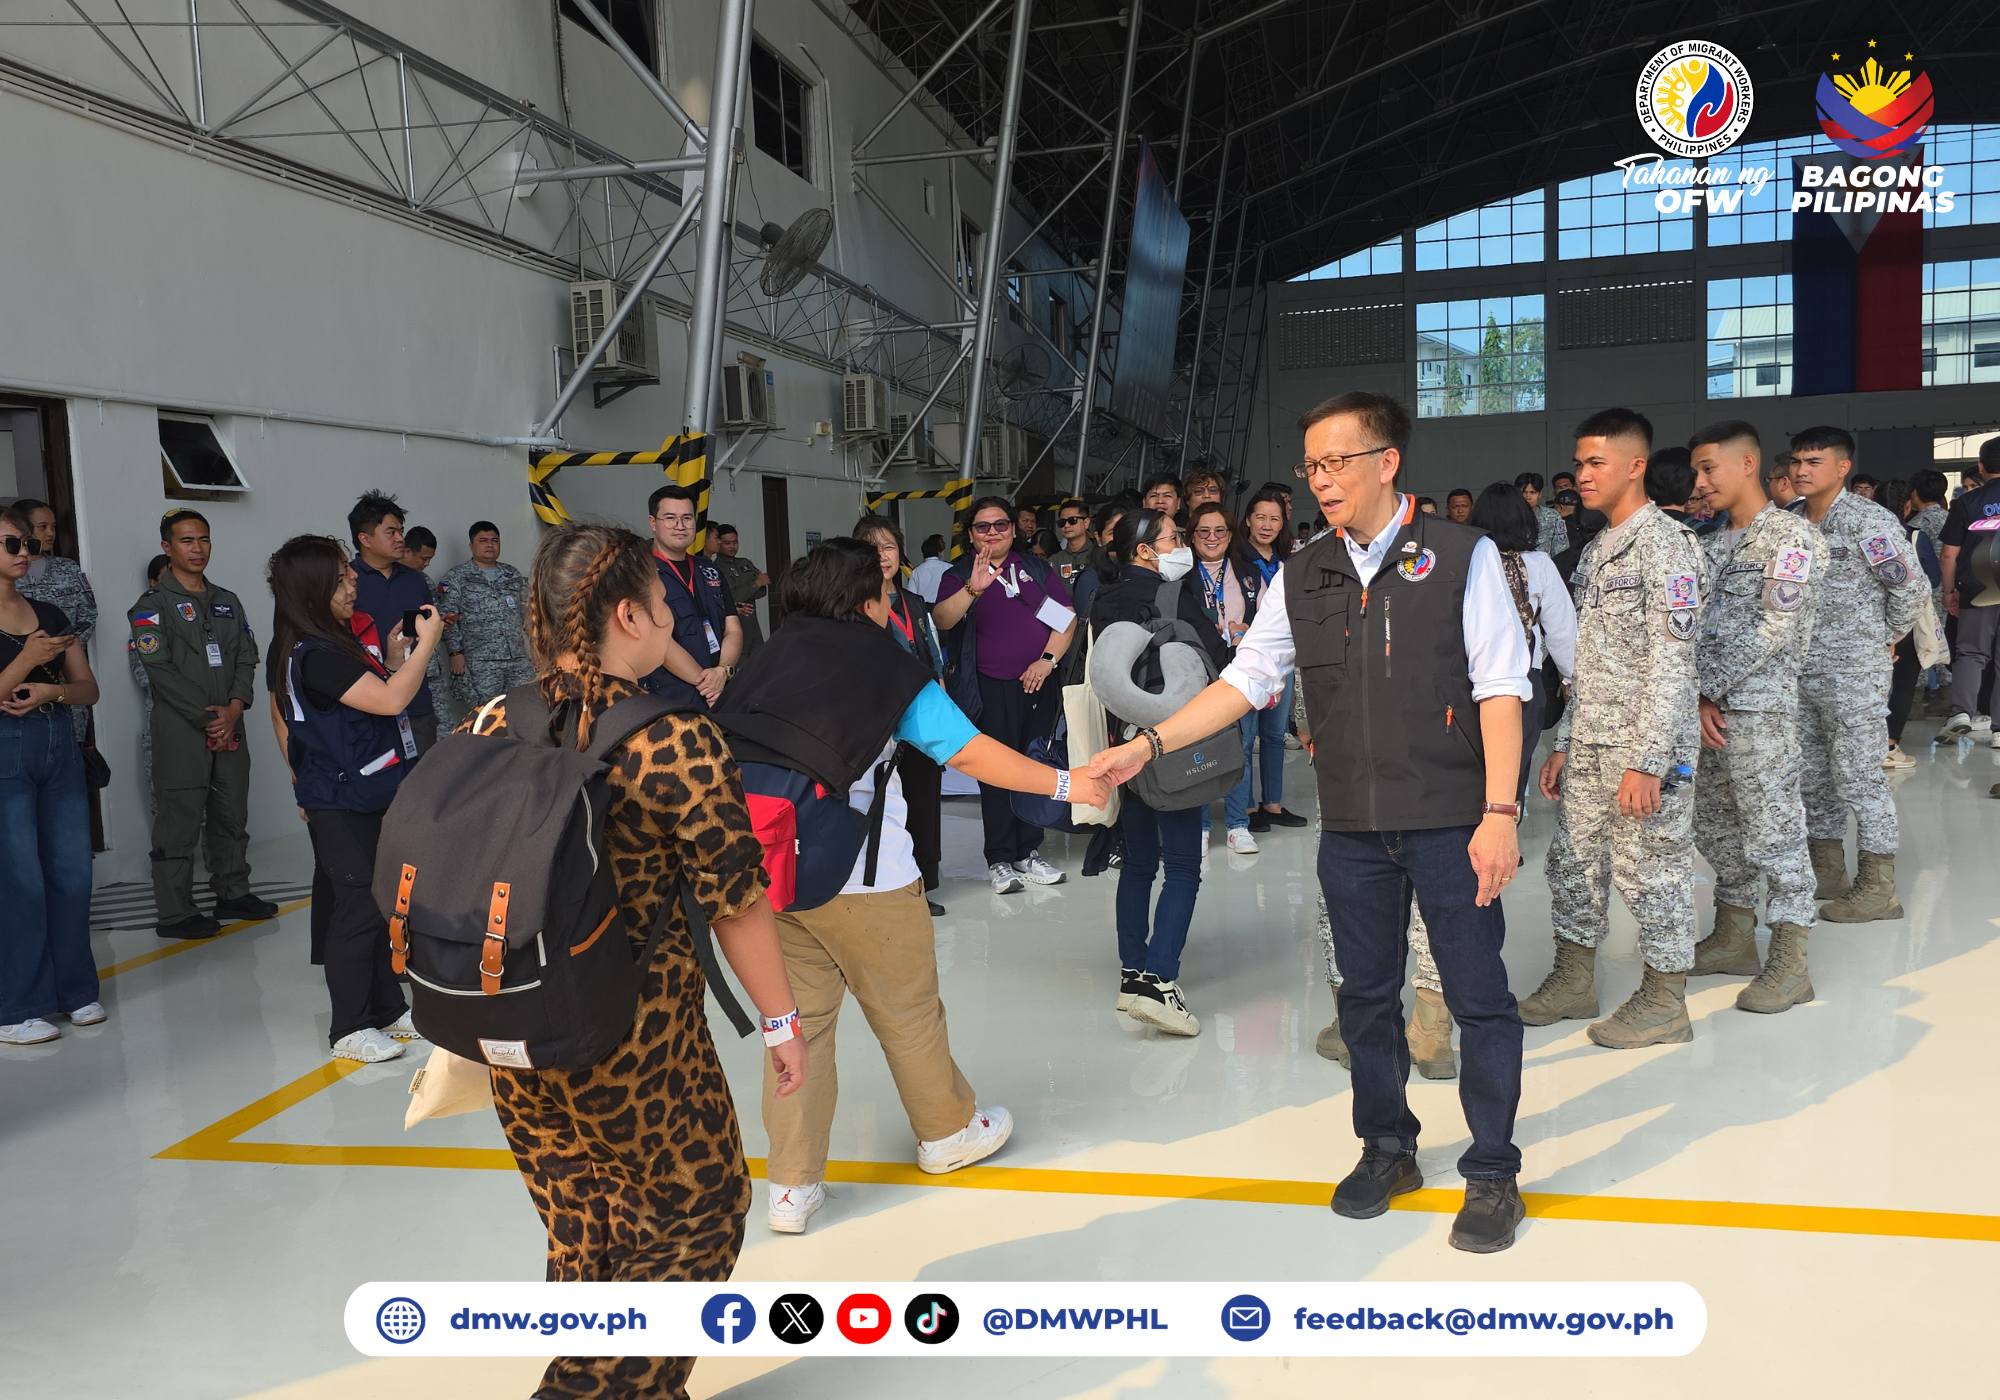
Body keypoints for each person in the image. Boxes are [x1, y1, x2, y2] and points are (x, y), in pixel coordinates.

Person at [1089, 391, 1530, 1253]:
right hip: (1355, 827)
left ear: (1386, 461)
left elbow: (1501, 687)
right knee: (1363, 997)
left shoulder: (1461, 555)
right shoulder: (1304, 572)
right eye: (1312, 466)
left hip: (1451, 820)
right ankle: (1388, 1144)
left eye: (1336, 462)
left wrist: (1501, 812)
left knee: (1479, 999)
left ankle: (1490, 1169)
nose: (1321, 481)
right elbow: (1246, 680)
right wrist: (1151, 742)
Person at [465, 523, 804, 1400]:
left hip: (522, 1037)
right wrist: (781, 1021)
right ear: (627, 615)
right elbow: (734, 899)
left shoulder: (496, 720)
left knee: (586, 1228)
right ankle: (606, 1388)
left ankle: (630, 1382)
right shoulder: (670, 738)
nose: (669, 615)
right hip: (638, 1037)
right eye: (660, 601)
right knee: (697, 1214)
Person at [757, 538, 1110, 1234]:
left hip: (776, 882)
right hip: (870, 878)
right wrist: (1070, 783)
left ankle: (792, 1187)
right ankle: (948, 1134)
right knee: (909, 1014)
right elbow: (971, 751)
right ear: (865, 600)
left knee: (798, 1032)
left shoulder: (763, 665)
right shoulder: (887, 668)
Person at [1521, 408, 1706, 1049]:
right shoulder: (1597, 550)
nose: (1581, 475)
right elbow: (1591, 660)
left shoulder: (1668, 548)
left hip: (1643, 751)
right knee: (1572, 864)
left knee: (1651, 870)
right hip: (1593, 740)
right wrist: (1568, 739)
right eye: (1578, 463)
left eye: (1595, 462)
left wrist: (1647, 761)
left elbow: (1674, 663)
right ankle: (1575, 982)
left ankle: (1666, 1001)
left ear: (1636, 467)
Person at [265, 536, 435, 1062]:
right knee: (357, 905)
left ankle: (385, 1008)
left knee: (384, 901)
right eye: (342, 576)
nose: (353, 580)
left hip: (367, 788)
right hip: (338, 798)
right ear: (316, 588)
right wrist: (428, 644)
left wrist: (394, 654)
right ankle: (348, 1027)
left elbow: (369, 694)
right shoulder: (313, 653)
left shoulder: (334, 641)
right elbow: (390, 699)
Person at [1679, 421, 1823, 1014]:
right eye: (1695, 471)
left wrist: (1704, 690)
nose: (1699, 482)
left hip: (1759, 713)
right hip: (1704, 714)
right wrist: (1694, 697)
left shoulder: (1792, 539)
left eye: (1708, 469)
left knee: (1774, 831)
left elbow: (1772, 626)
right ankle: (1735, 935)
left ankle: (1791, 958)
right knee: (1713, 825)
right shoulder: (1709, 546)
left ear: (1746, 464)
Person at [1091, 508, 1230, 1035]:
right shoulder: (1171, 596)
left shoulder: (1104, 599)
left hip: (1121, 747)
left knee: (1139, 864)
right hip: (1170, 744)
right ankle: (1160, 980)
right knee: (1184, 865)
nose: (1183, 545)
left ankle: (1132, 975)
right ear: (1145, 551)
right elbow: (1213, 657)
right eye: (1173, 538)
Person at [1792, 427, 1925, 921]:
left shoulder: (1869, 522)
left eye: (1814, 461)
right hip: (1799, 673)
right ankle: (1828, 871)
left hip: (1854, 674)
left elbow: (1911, 591)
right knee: (1812, 777)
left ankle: (1878, 887)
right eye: (1797, 461)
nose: (1802, 470)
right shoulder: (1790, 524)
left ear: (1842, 467)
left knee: (1860, 778)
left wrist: (1881, 639)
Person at [129, 510, 278, 939]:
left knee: (231, 813)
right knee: (179, 820)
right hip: (181, 731)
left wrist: (234, 709)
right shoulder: (150, 609)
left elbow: (247, 656)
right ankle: (176, 913)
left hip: (230, 725)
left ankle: (233, 892)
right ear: (167, 547)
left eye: (204, 540)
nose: (198, 549)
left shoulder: (227, 601)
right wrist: (208, 718)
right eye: (187, 540)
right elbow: (159, 671)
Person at [931, 496, 1078, 893]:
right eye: (983, 527)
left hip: (1037, 684)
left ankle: (1028, 851)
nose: (993, 533)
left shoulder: (1034, 569)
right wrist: (973, 589)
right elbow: (942, 620)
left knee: (1035, 766)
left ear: (1014, 529)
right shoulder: (959, 573)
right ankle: (999, 858)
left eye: (1001, 525)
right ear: (971, 534)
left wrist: (1047, 661)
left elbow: (1065, 621)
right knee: (996, 773)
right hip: (988, 689)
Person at [0, 504, 104, 1045]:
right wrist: (25, 662)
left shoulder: (51, 612)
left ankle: (75, 990)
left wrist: (51, 689)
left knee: (70, 872)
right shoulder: (38, 633)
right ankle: (18, 1005)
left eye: (25, 545)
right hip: (4, 751)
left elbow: (88, 687)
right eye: (11, 544)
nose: (23, 554)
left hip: (57, 740)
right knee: (19, 880)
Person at [853, 514, 950, 918]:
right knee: (883, 805)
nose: (882, 556)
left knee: (924, 801)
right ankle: (881, 884)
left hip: (921, 717)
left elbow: (932, 653)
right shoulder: (853, 606)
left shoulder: (912, 603)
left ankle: (923, 883)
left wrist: (942, 701)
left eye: (889, 547)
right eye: (872, 549)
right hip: (877, 721)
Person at [1466, 482, 1576, 795]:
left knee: (1469, 781)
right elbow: (1563, 632)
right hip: (1524, 682)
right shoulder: (1539, 564)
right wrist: (1571, 679)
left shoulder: (1465, 563)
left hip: (1470, 681)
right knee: (1510, 780)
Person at [1188, 502, 1265, 855]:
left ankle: (1237, 825)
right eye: (1204, 531)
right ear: (1192, 536)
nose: (1212, 538)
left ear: (1231, 534)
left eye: (1219, 530)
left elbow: (1269, 624)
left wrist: (1247, 630)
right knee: (1199, 751)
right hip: (1197, 672)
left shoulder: (1248, 574)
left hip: (1240, 671)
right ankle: (1200, 827)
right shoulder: (1181, 574)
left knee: (1241, 749)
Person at [346, 491, 440, 752]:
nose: (401, 538)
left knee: (423, 785)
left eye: (401, 530)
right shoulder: (348, 582)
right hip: (367, 705)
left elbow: (419, 636)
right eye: (391, 532)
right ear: (365, 539)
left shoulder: (415, 581)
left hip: (416, 702)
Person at [641, 483, 741, 710]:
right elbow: (658, 642)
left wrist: (722, 671)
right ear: (653, 523)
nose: (680, 526)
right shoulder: (640, 572)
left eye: (687, 518)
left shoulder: (709, 570)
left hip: (719, 692)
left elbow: (733, 628)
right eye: (670, 518)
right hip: (670, 699)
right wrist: (707, 684)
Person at [13, 498, 97, 743]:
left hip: (66, 678)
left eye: (53, 526)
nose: (51, 533)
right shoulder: (8, 574)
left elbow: (88, 615)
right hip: (17, 679)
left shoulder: (67, 569)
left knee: (70, 745)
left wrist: (62, 651)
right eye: (42, 527)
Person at [435, 520, 535, 716]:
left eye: (494, 540)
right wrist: (455, 653)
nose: (490, 545)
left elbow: (527, 612)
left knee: (526, 709)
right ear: (471, 546)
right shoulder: (457, 577)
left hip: (517, 658)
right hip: (481, 661)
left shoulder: (511, 574)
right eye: (483, 541)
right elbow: (448, 619)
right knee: (487, 714)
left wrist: (535, 648)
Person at [1938, 439, 2000, 738]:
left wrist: (1948, 591)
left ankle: (1961, 712)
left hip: (1978, 586)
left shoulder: (1966, 502)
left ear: (1981, 467)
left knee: (1971, 653)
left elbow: (1949, 553)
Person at [130, 553, 170, 809]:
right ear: (152, 583)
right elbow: (147, 677)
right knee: (167, 803)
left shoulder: (207, 621)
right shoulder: (144, 624)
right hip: (165, 722)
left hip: (209, 723)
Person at [710, 522, 769, 655]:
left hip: (753, 626)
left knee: (759, 664)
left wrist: (750, 589)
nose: (732, 546)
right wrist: (755, 584)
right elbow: (730, 598)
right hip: (734, 628)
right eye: (727, 543)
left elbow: (763, 590)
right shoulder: (715, 568)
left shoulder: (745, 563)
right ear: (718, 543)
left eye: (735, 542)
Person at [1516, 471, 1569, 556]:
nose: (1528, 497)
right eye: (1524, 492)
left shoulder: (1553, 516)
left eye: (1532, 492)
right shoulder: (1510, 517)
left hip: (1545, 567)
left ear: (1539, 494)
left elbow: (1561, 548)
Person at [1049, 498, 1099, 588]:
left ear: (1086, 522)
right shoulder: (1055, 560)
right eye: (1062, 522)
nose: (1066, 525)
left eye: (1073, 520)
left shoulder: (1099, 555)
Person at [908, 533, 951, 603]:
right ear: (938, 552)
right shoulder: (949, 567)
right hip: (945, 609)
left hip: (923, 611)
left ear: (923, 553)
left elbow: (911, 596)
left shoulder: (916, 571)